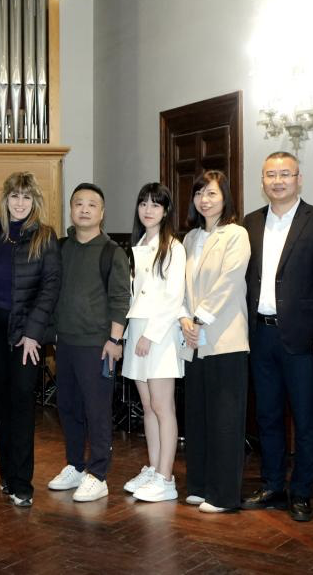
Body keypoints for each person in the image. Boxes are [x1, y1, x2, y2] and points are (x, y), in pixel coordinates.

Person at [241, 152, 313, 523]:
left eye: (285, 174)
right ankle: (272, 486)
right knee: (266, 416)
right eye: (271, 175)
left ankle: (301, 491)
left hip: (302, 338)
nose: (278, 181)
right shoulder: (250, 223)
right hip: (260, 335)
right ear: (262, 181)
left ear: (299, 179)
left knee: (304, 418)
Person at [0, 172, 61, 508]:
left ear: (35, 201)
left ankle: (22, 482)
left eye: (26, 197)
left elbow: (50, 288)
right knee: (1, 403)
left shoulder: (45, 237)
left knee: (21, 404)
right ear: (5, 200)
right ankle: (6, 475)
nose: (20, 203)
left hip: (26, 336)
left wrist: (33, 333)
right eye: (14, 196)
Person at [46, 182, 130, 503]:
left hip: (98, 345)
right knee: (68, 408)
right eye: (78, 203)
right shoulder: (60, 248)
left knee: (97, 411)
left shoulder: (112, 252)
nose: (84, 209)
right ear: (71, 209)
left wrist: (114, 339)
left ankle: (98, 474)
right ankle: (75, 465)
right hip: (65, 343)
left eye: (92, 205)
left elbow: (121, 298)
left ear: (102, 212)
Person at [179, 169, 251, 514]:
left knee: (225, 419)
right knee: (197, 415)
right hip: (193, 340)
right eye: (199, 193)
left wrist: (199, 318)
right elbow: (180, 286)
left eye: (211, 194)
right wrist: (184, 318)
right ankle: (199, 485)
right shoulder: (190, 239)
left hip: (224, 339)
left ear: (225, 198)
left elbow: (230, 281)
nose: (204, 200)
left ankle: (223, 495)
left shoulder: (236, 234)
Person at [120, 183, 188, 503]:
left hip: (159, 336)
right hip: (137, 332)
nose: (148, 210)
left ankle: (166, 477)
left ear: (166, 211)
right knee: (147, 407)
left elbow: (174, 297)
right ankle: (153, 467)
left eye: (155, 205)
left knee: (163, 406)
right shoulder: (139, 244)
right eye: (143, 203)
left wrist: (150, 334)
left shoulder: (173, 247)